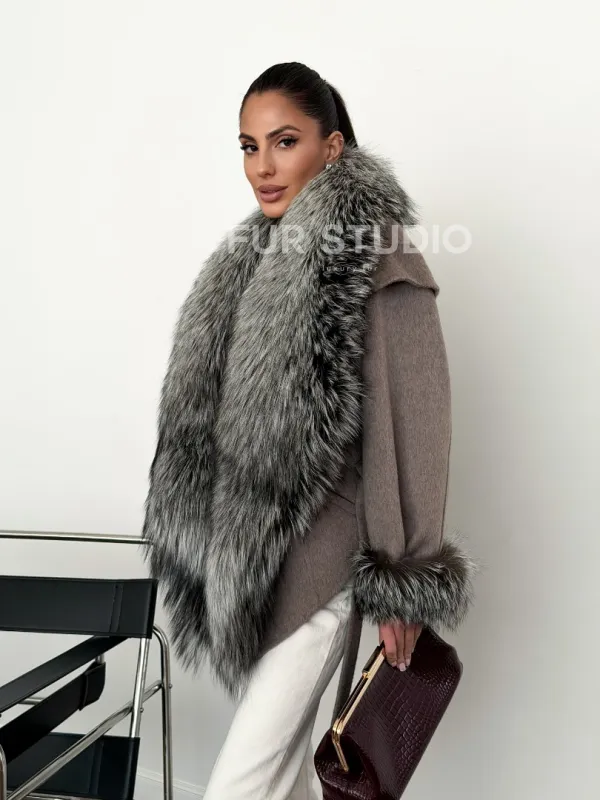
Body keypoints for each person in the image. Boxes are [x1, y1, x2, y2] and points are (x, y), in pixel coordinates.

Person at [141, 61, 478, 799]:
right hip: (268, 567)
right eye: (249, 146)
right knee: (281, 778)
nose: (262, 166)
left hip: (329, 563)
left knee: (240, 784)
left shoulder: (375, 256)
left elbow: (416, 424)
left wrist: (404, 579)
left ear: (331, 147)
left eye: (284, 141)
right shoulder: (255, 259)